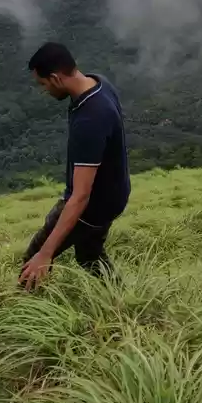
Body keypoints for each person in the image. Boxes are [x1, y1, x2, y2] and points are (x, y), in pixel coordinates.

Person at [19, 42, 131, 290]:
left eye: (43, 84)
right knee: (89, 255)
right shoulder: (98, 83)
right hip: (114, 196)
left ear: (56, 78)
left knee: (32, 262)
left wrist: (46, 254)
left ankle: (23, 316)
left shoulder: (90, 119)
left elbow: (80, 197)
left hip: (93, 206)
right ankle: (121, 299)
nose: (43, 90)